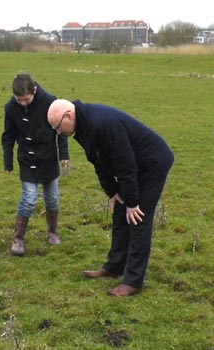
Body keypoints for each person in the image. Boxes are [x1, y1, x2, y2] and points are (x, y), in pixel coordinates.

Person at [47, 99, 173, 297]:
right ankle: (115, 266)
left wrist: (132, 202)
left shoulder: (101, 123)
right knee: (120, 213)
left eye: (57, 127)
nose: (58, 133)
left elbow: (125, 164)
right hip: (132, 166)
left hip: (152, 162)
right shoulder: (80, 128)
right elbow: (99, 163)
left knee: (138, 218)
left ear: (68, 116)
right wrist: (113, 193)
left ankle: (132, 281)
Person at [2, 73, 69, 256]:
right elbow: (8, 136)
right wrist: (7, 162)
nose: (22, 103)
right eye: (19, 100)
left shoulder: (50, 102)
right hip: (27, 159)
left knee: (52, 198)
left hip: (48, 159)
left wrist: (64, 154)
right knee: (29, 198)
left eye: (26, 99)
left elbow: (61, 130)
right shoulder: (11, 108)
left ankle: (52, 233)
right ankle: (18, 239)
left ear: (35, 91)